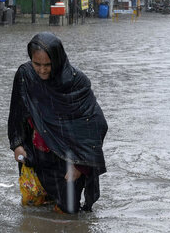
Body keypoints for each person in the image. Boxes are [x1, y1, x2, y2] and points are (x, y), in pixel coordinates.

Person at [8, 32, 108, 213]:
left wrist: (81, 166)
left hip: (67, 159)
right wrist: (17, 144)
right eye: (36, 64)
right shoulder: (26, 75)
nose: (42, 70)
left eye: (48, 65)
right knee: (33, 207)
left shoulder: (76, 82)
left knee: (68, 212)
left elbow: (96, 124)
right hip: (36, 154)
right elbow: (17, 111)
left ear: (58, 59)